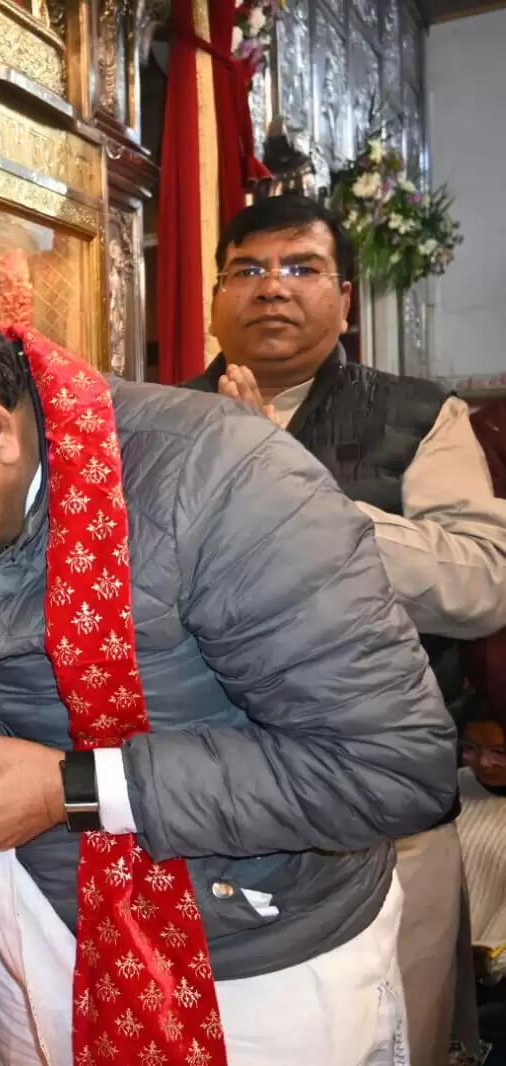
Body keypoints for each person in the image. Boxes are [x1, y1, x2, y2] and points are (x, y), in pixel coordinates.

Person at [0, 291, 457, 1065]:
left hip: (246, 958)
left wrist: (73, 789)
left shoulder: (230, 484)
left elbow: (391, 770)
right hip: (35, 925)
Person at [184, 194, 506, 1066]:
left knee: (390, 1033)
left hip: (384, 810)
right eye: (246, 270)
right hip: (204, 807)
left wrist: (291, 496)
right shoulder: (154, 419)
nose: (271, 290)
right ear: (213, 297)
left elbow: (482, 584)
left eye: (300, 269)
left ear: (346, 297)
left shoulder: (414, 414)